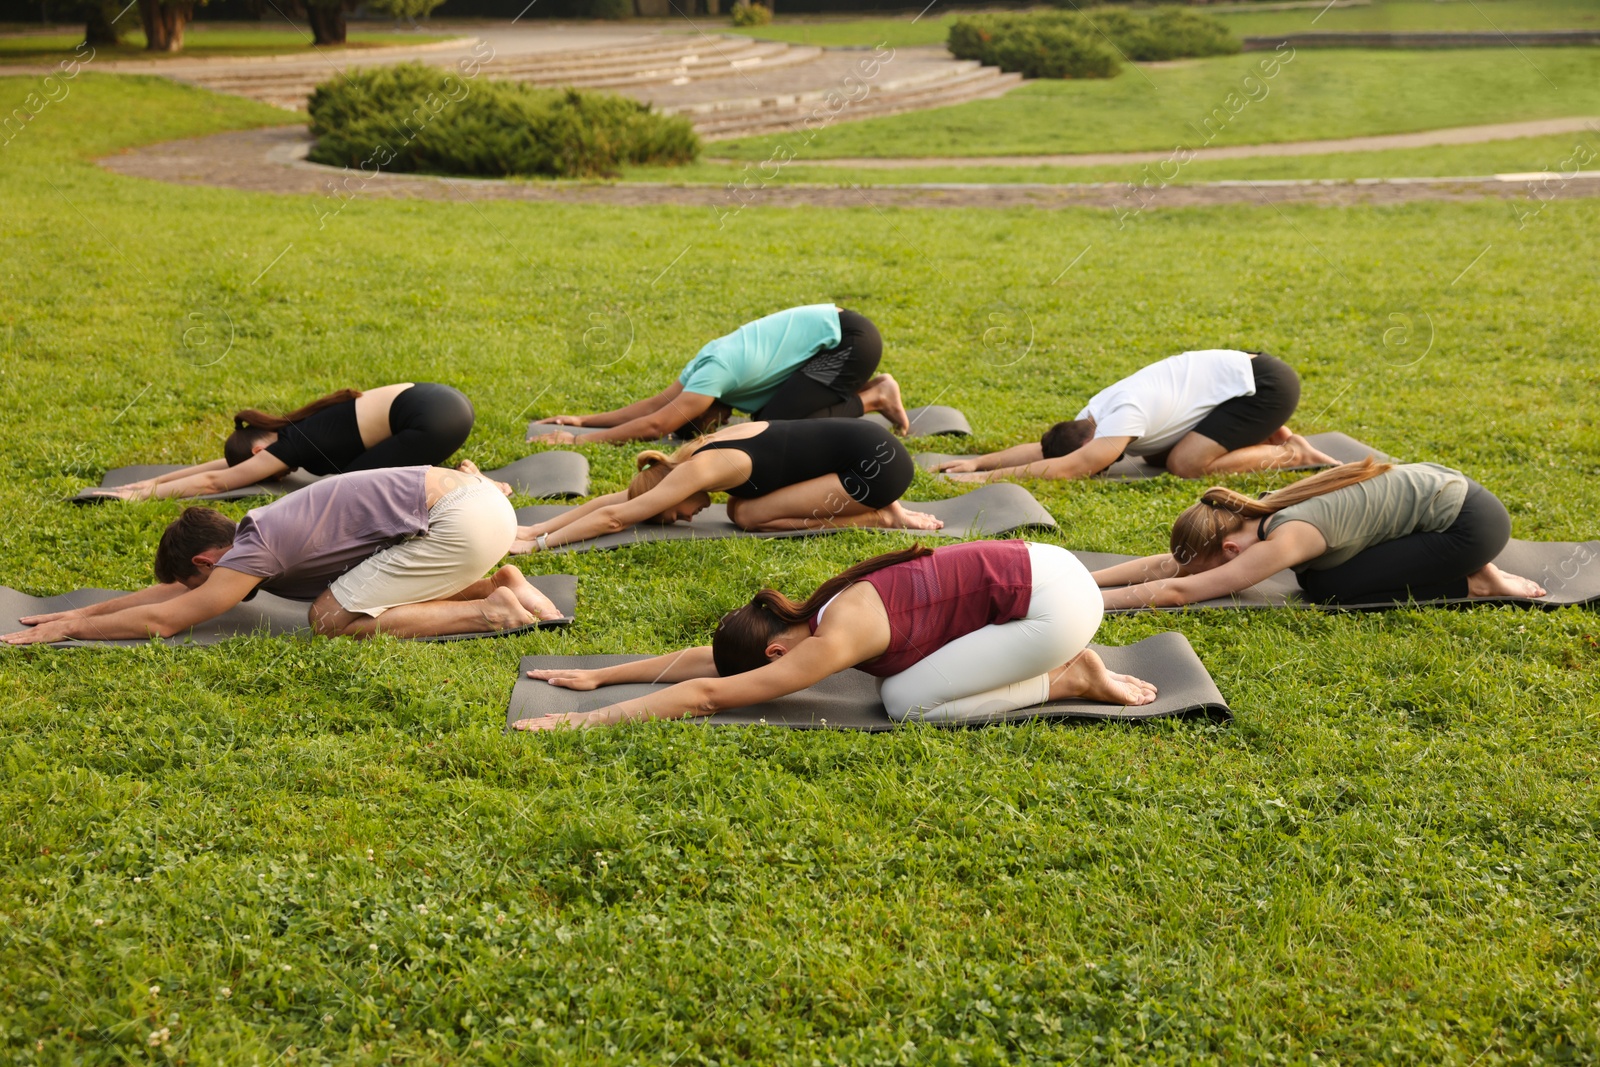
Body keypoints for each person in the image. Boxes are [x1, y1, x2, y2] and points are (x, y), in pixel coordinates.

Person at [511, 540, 1157, 731]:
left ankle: (1068, 674)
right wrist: (603, 675)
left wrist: (585, 721)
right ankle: (1062, 663)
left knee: (908, 701)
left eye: (763, 672)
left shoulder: (831, 637)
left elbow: (708, 693)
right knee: (907, 685)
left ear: (774, 650)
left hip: (1058, 607)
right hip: (1048, 568)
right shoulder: (814, 610)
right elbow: (709, 666)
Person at [4, 467, 563, 645]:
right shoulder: (260, 529)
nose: (215, 593)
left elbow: (163, 618)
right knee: (373, 589)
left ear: (207, 561)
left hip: (461, 522)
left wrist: (66, 631)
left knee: (329, 616)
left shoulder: (254, 547)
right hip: (479, 510)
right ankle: (497, 583)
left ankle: (495, 611)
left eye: (206, 581)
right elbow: (173, 595)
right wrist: (77, 615)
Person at [1094, 458, 1547, 609]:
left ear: (1230, 547)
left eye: (1214, 560)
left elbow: (1179, 589)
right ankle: (1468, 568)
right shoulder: (1252, 512)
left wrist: (1091, 600)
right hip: (1447, 495)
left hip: (1470, 526)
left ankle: (1479, 578)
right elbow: (1175, 565)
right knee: (1319, 579)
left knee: (1329, 587)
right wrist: (1091, 578)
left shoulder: (1288, 535)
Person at [512, 419, 941, 553]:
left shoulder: (701, 471)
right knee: (739, 511)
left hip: (875, 471)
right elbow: (623, 499)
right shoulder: (686, 458)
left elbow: (615, 517)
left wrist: (539, 546)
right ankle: (886, 507)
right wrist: (533, 527)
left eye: (669, 514)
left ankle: (881, 512)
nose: (680, 518)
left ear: (673, 491)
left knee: (750, 515)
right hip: (871, 447)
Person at [527, 305, 912, 446]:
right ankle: (869, 393)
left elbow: (656, 424)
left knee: (772, 425)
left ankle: (875, 396)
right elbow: (657, 405)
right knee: (769, 418)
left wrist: (580, 442)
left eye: (703, 426)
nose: (716, 425)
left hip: (850, 342)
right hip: (840, 334)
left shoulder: (715, 374)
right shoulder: (704, 370)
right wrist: (582, 421)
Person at [939, 349, 1334, 483]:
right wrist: (977, 462)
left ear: (1094, 443)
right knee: (1156, 456)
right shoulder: (1091, 415)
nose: (1102, 467)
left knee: (1185, 464)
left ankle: (1293, 453)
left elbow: (1068, 468)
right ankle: (1259, 435)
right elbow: (1048, 454)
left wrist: (984, 479)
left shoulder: (1123, 415)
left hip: (1265, 386)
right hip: (1240, 381)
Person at [85, 383, 499, 500]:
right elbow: (221, 469)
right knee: (370, 477)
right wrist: (146, 482)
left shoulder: (294, 443)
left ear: (259, 450)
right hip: (444, 402)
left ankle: (478, 486)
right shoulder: (303, 425)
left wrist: (139, 496)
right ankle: (470, 481)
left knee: (346, 491)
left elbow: (218, 483)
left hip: (432, 419)